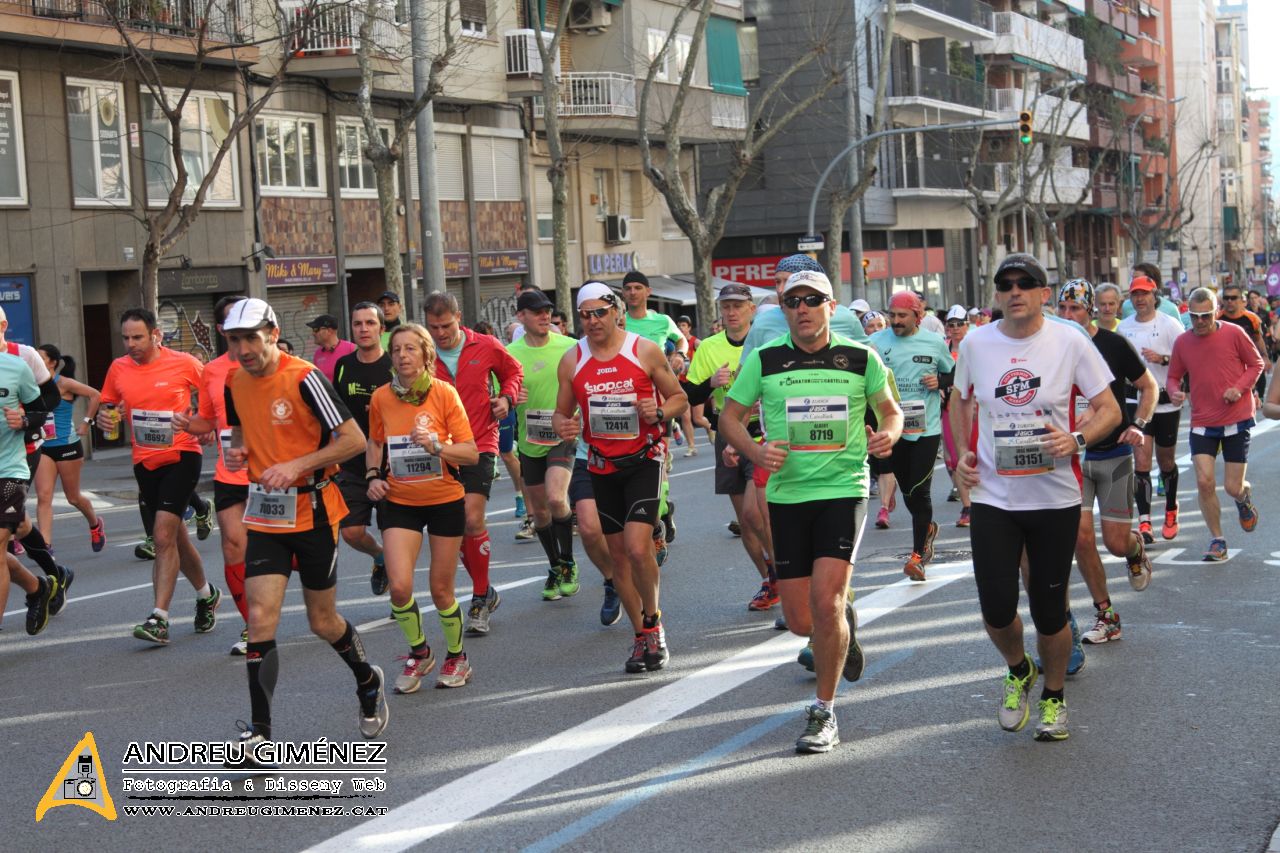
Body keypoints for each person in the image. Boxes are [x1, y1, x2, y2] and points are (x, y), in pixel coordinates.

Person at [721, 269, 902, 753]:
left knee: (825, 603)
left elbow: (891, 410)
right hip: (786, 496)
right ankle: (844, 623)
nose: (802, 308)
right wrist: (756, 453)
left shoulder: (861, 357)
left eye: (812, 299)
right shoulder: (765, 359)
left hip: (843, 489)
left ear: (831, 305)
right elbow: (729, 417)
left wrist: (889, 433)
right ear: (783, 309)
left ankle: (824, 711)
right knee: (802, 621)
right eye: (793, 300)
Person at [950, 254, 1119, 743]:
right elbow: (961, 399)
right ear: (997, 293)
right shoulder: (978, 343)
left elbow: (1107, 408)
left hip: (1055, 497)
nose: (1015, 290)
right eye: (1006, 284)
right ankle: (1018, 667)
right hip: (993, 497)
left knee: (1049, 611)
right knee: (996, 607)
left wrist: (1078, 440)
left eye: (1027, 283)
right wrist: (962, 453)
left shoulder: (1070, 339)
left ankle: (1053, 697)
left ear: (1045, 293)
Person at [219, 298, 387, 761]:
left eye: (251, 338)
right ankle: (259, 732)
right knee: (259, 618)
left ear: (272, 333)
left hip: (313, 509)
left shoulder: (305, 377)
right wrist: (238, 454)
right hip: (267, 514)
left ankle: (367, 679)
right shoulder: (235, 380)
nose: (243, 349)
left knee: (321, 621)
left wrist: (295, 464)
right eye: (234, 340)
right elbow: (238, 431)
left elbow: (351, 440)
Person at [553, 281, 688, 673]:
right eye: (585, 315)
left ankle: (654, 620)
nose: (593, 321)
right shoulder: (572, 359)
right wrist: (565, 426)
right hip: (601, 465)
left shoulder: (642, 350)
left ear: (616, 312)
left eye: (599, 312)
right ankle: (641, 635)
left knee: (635, 547)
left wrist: (658, 412)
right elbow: (563, 414)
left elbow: (678, 397)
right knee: (618, 558)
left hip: (644, 460)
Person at [96, 308, 220, 645]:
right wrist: (104, 420)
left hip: (182, 455)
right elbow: (107, 405)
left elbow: (213, 395)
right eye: (126, 338)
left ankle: (159, 618)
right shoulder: (118, 368)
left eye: (138, 337)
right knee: (176, 538)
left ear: (155, 334)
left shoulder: (183, 363)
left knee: (162, 536)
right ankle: (207, 594)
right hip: (144, 462)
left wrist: (207, 426)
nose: (131, 344)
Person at [366, 323, 478, 691]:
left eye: (410, 349)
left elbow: (471, 453)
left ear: (426, 355)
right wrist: (372, 475)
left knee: (441, 590)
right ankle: (420, 652)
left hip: (444, 500)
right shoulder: (382, 397)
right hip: (400, 502)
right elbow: (375, 441)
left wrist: (437, 447)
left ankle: (457, 656)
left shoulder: (444, 394)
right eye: (396, 349)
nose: (402, 356)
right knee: (399, 587)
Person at [1055, 281, 1157, 650]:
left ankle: (1134, 551)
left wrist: (1138, 425)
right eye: (1062, 309)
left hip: (1112, 455)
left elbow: (1149, 388)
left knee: (1114, 542)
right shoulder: (1051, 349)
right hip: (1072, 459)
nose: (1068, 317)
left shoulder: (1113, 345)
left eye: (1076, 310)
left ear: (1091, 311)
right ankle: (1106, 616)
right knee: (1080, 537)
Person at [423, 291, 522, 633]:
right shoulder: (423, 351)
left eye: (446, 325)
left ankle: (480, 597)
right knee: (454, 527)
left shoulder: (487, 345)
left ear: (459, 317)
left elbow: (514, 372)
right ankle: (486, 590)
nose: (440, 334)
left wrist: (506, 399)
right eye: (433, 327)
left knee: (472, 516)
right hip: (439, 448)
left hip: (480, 440)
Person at [684, 284, 775, 610]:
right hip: (727, 431)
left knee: (756, 512)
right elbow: (688, 397)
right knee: (746, 519)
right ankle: (769, 580)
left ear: (751, 308)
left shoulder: (768, 339)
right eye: (726, 306)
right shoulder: (708, 348)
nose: (732, 312)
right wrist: (710, 384)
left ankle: (782, 571)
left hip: (762, 431)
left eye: (738, 305)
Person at [1167, 287, 1264, 561]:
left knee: (1233, 487)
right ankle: (1217, 540)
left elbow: (1256, 364)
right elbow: (1174, 376)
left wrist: (1239, 388)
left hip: (1236, 419)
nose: (1200, 322)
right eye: (1195, 316)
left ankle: (1243, 500)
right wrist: (1174, 391)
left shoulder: (1234, 333)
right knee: (1204, 481)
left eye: (1206, 316)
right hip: (1202, 421)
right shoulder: (1183, 342)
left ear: (1216, 311)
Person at [180, 295, 252, 655]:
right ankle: (251, 626)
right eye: (234, 325)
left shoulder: (287, 367)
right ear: (223, 330)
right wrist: (186, 424)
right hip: (232, 474)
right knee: (233, 545)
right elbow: (208, 421)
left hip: (277, 476)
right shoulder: (212, 371)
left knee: (289, 551)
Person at [868, 291, 954, 581]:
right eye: (892, 315)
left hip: (925, 428)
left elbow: (954, 372)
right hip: (891, 429)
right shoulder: (877, 343)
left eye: (902, 315)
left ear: (918, 317)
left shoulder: (933, 343)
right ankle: (927, 528)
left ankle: (917, 556)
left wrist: (939, 380)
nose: (895, 321)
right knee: (907, 491)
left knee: (920, 490)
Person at [507, 289, 580, 604]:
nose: (544, 316)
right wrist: (510, 399)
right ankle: (555, 566)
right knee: (538, 512)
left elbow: (587, 382)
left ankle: (569, 562)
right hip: (529, 439)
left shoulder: (571, 347)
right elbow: (497, 397)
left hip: (562, 435)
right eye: (536, 311)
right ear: (521, 316)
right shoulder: (509, 354)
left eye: (547, 310)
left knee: (555, 498)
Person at [1117, 276, 1187, 542]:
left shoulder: (1170, 324)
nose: (1140, 299)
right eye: (1135, 294)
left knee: (1166, 460)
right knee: (1142, 462)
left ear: (1154, 295)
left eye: (1144, 294)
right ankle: (1144, 521)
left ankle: (1170, 509)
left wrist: (1163, 358)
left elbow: (1185, 358)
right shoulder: (1124, 328)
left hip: (1166, 401)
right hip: (1137, 402)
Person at [332, 302, 392, 596]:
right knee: (351, 533)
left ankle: (401, 598)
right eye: (358, 324)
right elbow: (335, 412)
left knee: (396, 536)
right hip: (354, 462)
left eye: (370, 323)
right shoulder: (344, 366)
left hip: (393, 463)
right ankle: (379, 558)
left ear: (382, 328)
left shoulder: (396, 363)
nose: (364, 329)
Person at [0, 343, 58, 636]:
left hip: (14, 462)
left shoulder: (20, 360)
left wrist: (23, 421)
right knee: (17, 529)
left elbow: (47, 402)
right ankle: (40, 586)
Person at [33, 345, 104, 551]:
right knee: (44, 496)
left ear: (53, 363)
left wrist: (86, 422)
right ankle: (46, 545)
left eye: (40, 358)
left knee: (73, 498)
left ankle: (95, 524)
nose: (35, 362)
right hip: (44, 446)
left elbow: (95, 395)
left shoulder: (63, 383)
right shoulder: (31, 383)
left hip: (66, 447)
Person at [942, 306, 972, 525]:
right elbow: (936, 373)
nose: (955, 329)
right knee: (952, 458)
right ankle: (967, 503)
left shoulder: (974, 346)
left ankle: (970, 506)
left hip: (973, 408)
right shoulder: (942, 348)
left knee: (972, 454)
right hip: (948, 409)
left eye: (959, 324)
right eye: (951, 325)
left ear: (967, 325)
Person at [1217, 282, 1271, 402]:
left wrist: (1265, 357)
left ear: (1241, 300)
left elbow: (1258, 338)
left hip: (1250, 362)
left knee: (1248, 392)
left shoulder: (1252, 318)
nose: (1229, 301)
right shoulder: (1217, 319)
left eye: (1233, 298)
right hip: (1227, 364)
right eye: (1226, 298)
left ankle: (1257, 398)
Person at [307, 314, 356, 383]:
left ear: (329, 331)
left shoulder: (351, 348)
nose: (313, 333)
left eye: (316, 330)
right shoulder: (317, 353)